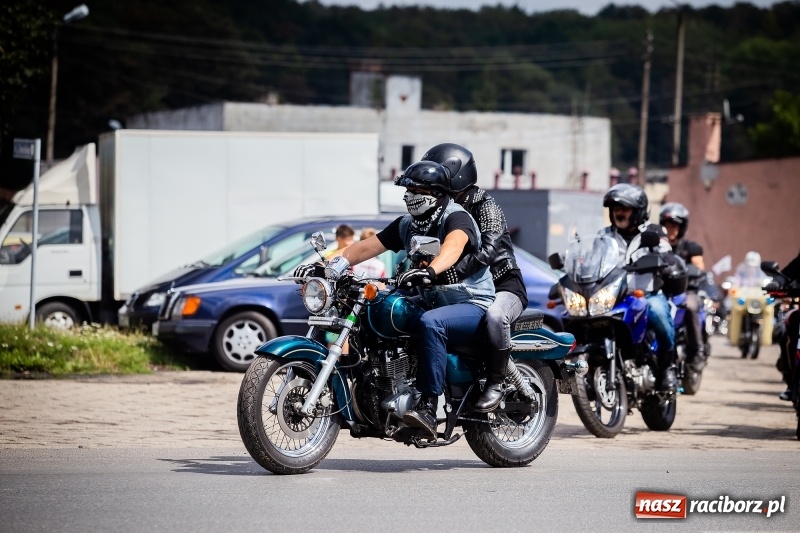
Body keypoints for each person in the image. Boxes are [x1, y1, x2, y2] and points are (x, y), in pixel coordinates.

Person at [295, 160, 494, 440]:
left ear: (436, 193)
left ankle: (427, 406)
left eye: (417, 190)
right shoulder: (408, 225)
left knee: (432, 323)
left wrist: (431, 270)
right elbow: (364, 247)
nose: (410, 196)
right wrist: (326, 267)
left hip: (471, 303)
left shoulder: (456, 217)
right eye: (408, 190)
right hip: (432, 301)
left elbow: (453, 246)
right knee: (379, 309)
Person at [421, 142, 529, 411]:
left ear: (454, 174)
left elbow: (488, 251)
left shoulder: (485, 205)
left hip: (503, 284)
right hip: (461, 289)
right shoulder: (438, 207)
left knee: (495, 317)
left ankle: (496, 383)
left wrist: (449, 273)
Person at [602, 183, 684, 393]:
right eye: (616, 208)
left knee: (658, 313)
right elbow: (593, 260)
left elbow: (667, 254)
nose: (619, 212)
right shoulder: (604, 236)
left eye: (624, 208)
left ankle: (666, 368)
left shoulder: (653, 232)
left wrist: (663, 258)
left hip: (647, 294)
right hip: (613, 296)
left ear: (638, 211)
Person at [660, 202, 707, 372]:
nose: (671, 229)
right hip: (663, 291)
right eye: (667, 225)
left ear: (681, 228)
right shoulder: (656, 247)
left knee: (690, 306)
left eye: (674, 226)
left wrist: (694, 270)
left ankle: (697, 351)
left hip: (687, 291)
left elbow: (699, 266)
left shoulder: (690, 248)